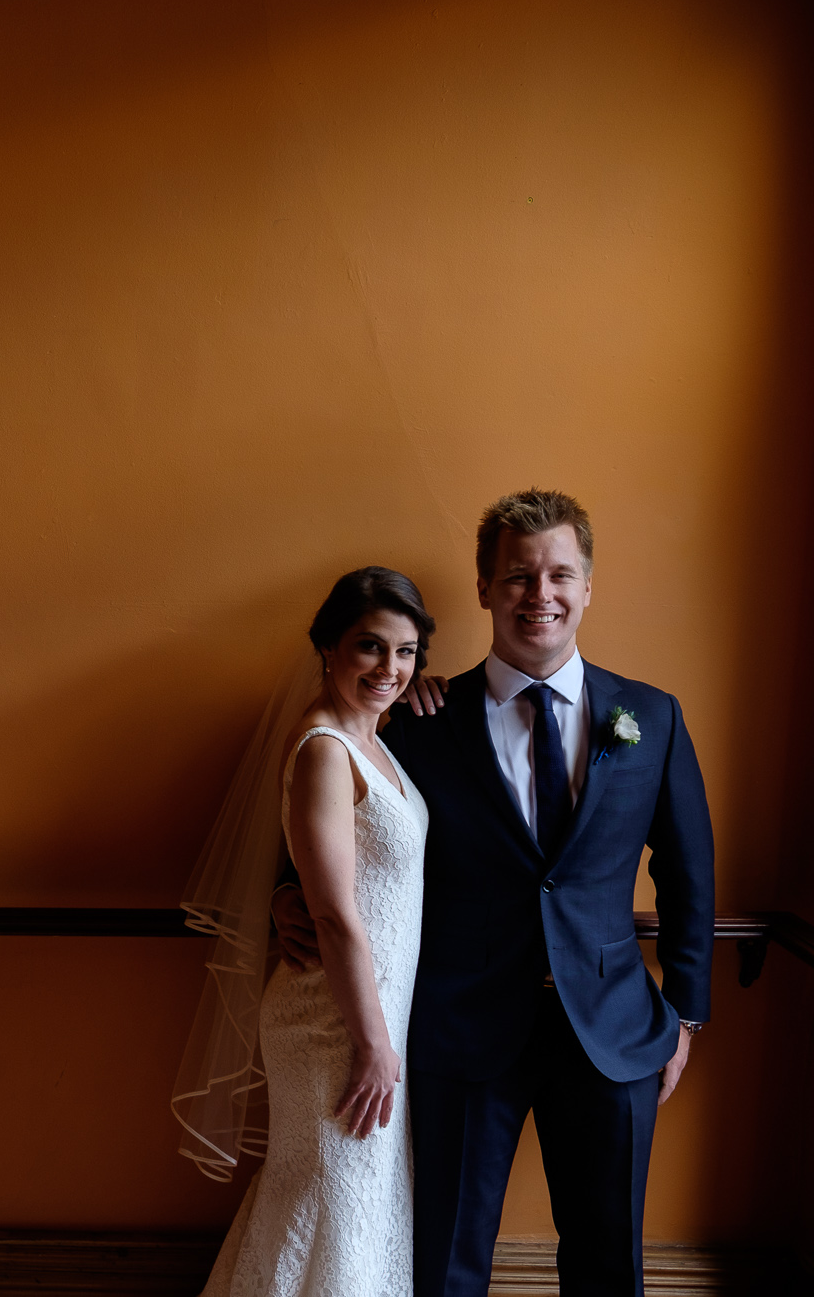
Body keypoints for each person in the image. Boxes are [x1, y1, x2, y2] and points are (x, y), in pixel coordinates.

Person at [274, 489, 714, 1297]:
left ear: (587, 586)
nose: (538, 595)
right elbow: (332, 819)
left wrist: (684, 1013)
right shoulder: (414, 717)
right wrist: (282, 899)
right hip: (462, 1031)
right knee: (447, 1264)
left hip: (612, 1033)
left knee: (610, 1263)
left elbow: (690, 874)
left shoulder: (652, 717)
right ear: (484, 587)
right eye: (517, 577)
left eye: (558, 575)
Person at [179, 566, 435, 1297]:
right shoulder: (325, 747)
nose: (389, 668)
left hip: (375, 1015)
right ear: (327, 648)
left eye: (406, 651)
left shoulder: (375, 738)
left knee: (344, 1206)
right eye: (369, 648)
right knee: (328, 1200)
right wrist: (373, 1040)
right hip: (335, 1023)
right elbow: (332, 913)